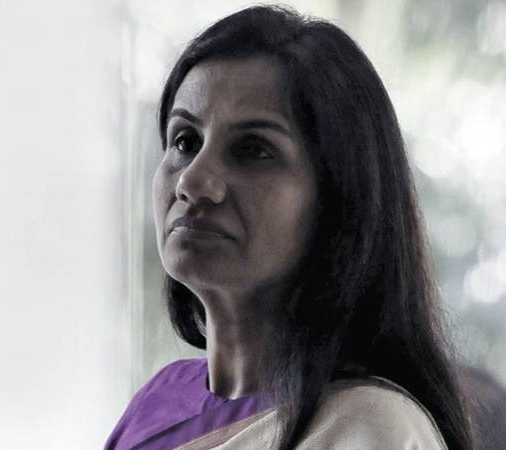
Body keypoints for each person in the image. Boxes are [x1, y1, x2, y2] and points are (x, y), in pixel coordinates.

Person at [105, 5, 475, 449]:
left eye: (253, 150)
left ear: (340, 197)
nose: (193, 182)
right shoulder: (158, 402)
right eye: (185, 141)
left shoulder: (370, 430)